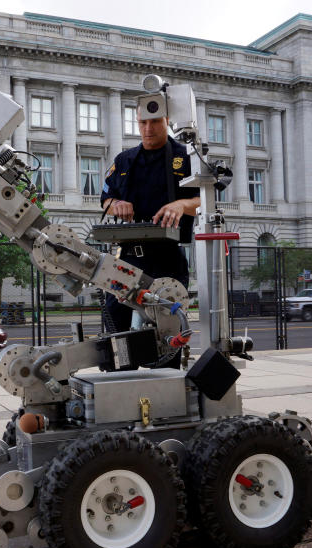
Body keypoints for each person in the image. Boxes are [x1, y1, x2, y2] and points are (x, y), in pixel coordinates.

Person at [99, 110, 200, 364]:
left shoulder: (186, 155)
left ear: (167, 121)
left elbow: (207, 198)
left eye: (155, 121)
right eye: (143, 122)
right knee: (117, 330)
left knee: (167, 332)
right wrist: (116, 204)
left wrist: (181, 205)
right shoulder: (125, 160)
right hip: (128, 259)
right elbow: (105, 200)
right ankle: (122, 384)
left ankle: (167, 385)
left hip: (167, 259)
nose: (148, 128)